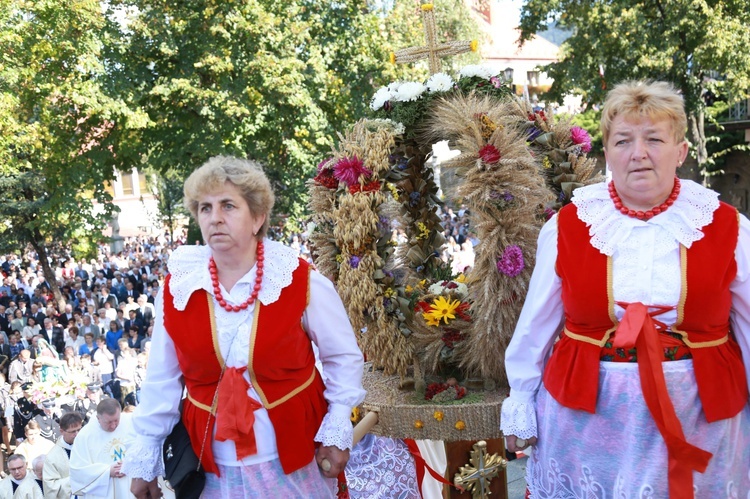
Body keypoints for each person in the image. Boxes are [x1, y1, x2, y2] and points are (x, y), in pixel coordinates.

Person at [501, 81, 750, 497]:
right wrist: (520, 401)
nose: (638, 153)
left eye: (654, 139)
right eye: (623, 141)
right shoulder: (568, 226)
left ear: (681, 151)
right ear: (607, 154)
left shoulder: (727, 226)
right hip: (590, 415)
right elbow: (536, 324)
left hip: (700, 412)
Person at [122, 156, 365, 498]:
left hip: (293, 460)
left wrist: (337, 424)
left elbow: (343, 357)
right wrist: (146, 456)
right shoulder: (177, 288)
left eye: (228, 206)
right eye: (204, 208)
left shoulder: (298, 280)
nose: (215, 218)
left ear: (258, 217)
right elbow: (161, 379)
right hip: (212, 467)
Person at [70, 399, 134, 498]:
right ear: (98, 418)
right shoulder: (85, 436)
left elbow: (145, 448)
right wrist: (107, 472)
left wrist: (131, 463)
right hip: (105, 492)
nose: (113, 426)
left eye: (116, 420)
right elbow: (78, 471)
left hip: (132, 485)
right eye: (108, 422)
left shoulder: (130, 422)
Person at [43, 411, 84, 499]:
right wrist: (75, 479)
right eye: (73, 431)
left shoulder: (88, 445)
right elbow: (50, 487)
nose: (77, 434)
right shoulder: (52, 457)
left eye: (79, 429)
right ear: (62, 431)